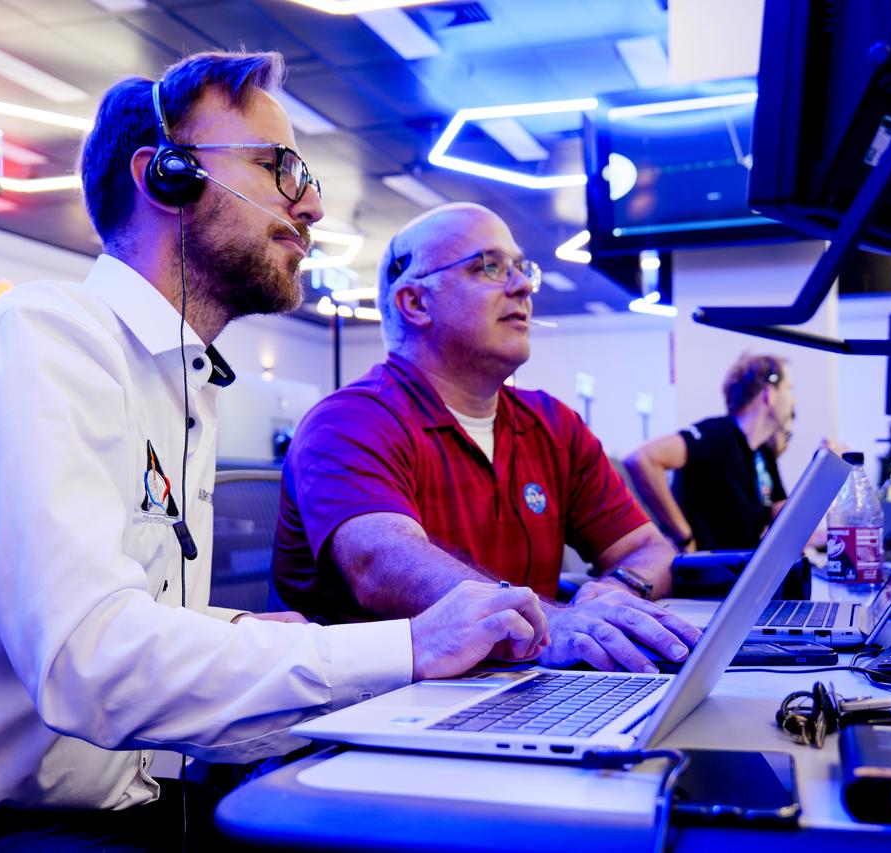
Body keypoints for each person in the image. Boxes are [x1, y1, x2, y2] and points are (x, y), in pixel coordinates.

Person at [0, 52, 548, 848]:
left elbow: (148, 657)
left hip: (122, 800)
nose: (312, 205)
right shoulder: (34, 341)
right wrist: (407, 646)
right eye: (278, 166)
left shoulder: (182, 380)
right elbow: (97, 666)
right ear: (168, 176)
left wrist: (328, 664)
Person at [271, 202, 701, 675]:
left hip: (523, 691)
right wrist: (552, 623)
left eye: (521, 268)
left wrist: (621, 588)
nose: (522, 286)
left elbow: (651, 549)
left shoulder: (554, 424)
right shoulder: (351, 421)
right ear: (415, 303)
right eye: (490, 267)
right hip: (382, 708)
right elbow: (382, 564)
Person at [624, 353, 795, 552]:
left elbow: (786, 517)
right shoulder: (717, 435)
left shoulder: (762, 455)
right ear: (769, 394)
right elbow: (641, 459)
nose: (792, 401)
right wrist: (683, 535)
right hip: (710, 576)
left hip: (744, 575)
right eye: (789, 390)